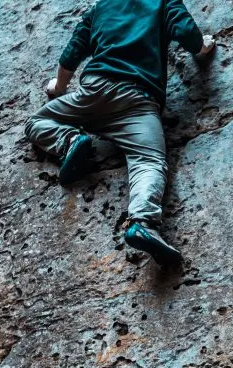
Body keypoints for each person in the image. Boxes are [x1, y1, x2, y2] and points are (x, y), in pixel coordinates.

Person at [25, 0, 215, 266]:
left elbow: (72, 52)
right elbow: (186, 33)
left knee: (37, 121)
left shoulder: (100, 8)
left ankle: (70, 141)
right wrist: (203, 47)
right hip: (138, 101)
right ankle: (142, 222)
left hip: (95, 92)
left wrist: (58, 88)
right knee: (148, 161)